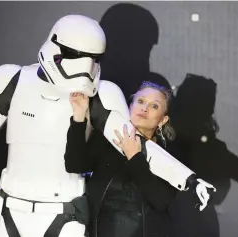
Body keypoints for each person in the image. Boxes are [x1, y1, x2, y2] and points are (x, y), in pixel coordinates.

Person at [0, 14, 214, 237]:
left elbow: (134, 145)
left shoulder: (102, 93)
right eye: (77, 55)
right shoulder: (13, 80)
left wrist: (187, 178)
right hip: (10, 208)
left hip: (66, 213)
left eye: (94, 58)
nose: (86, 67)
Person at [65, 80, 196, 237]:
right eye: (140, 101)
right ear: (130, 106)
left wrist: (134, 156)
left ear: (162, 120)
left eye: (154, 106)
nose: (145, 108)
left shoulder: (169, 156)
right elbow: (74, 165)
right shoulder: (106, 140)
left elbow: (160, 200)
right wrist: (79, 116)